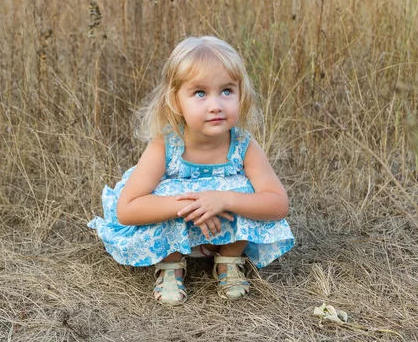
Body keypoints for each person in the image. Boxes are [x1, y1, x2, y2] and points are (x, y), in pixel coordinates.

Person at [88, 36, 295, 305]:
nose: (216, 105)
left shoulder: (244, 145)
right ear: (176, 101)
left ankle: (228, 259)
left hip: (221, 229)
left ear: (241, 94)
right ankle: (170, 265)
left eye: (227, 91)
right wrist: (189, 205)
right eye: (200, 93)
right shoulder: (165, 145)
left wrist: (225, 199)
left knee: (246, 193)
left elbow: (278, 204)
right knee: (164, 193)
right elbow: (127, 210)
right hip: (175, 228)